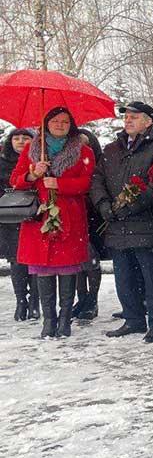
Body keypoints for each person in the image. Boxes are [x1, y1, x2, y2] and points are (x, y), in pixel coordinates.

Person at [91, 101, 153, 342]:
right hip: (117, 225)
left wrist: (131, 207)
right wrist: (103, 205)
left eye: (134, 117)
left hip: (147, 225)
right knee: (124, 276)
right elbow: (97, 179)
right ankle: (134, 318)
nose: (128, 120)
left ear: (148, 121)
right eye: (126, 117)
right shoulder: (111, 149)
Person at [11, 108, 96, 338]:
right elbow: (16, 181)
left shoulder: (84, 150)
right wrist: (33, 175)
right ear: (46, 123)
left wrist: (60, 184)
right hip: (39, 218)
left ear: (72, 125)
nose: (60, 125)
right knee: (43, 268)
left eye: (65, 121)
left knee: (67, 267)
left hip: (69, 216)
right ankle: (49, 321)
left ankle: (65, 319)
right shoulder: (32, 149)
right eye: (55, 121)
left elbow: (88, 182)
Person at [1, 128, 39, 322]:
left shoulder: (37, 160)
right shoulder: (2, 163)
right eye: (16, 138)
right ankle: (21, 301)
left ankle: (34, 301)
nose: (21, 141)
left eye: (25, 138)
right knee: (16, 262)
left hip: (32, 216)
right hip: (9, 219)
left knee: (34, 261)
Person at [71, 128, 105, 322]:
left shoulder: (98, 163)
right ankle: (82, 298)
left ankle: (92, 299)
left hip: (93, 217)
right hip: (76, 214)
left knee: (91, 260)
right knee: (78, 261)